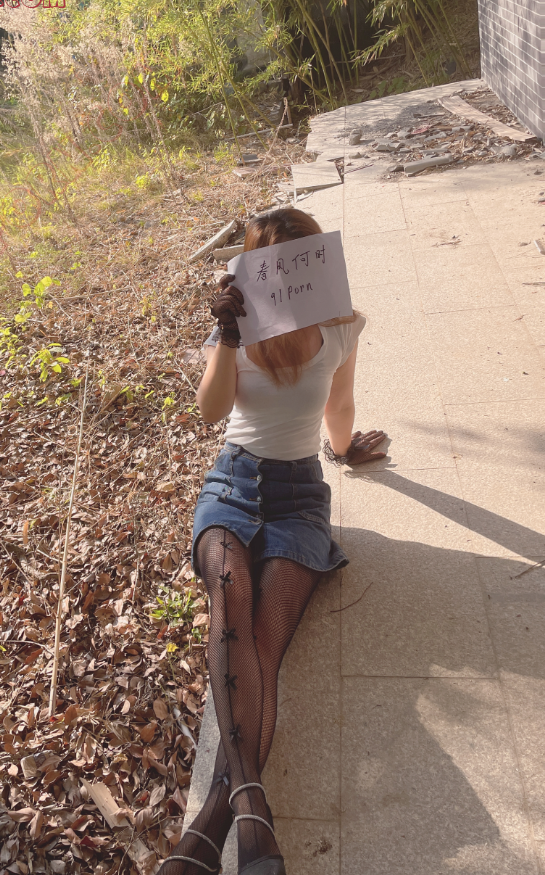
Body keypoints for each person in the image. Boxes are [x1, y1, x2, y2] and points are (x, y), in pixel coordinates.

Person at [158, 209, 387, 875]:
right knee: (229, 597)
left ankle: (214, 818)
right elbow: (211, 411)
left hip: (298, 498)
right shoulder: (234, 324)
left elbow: (339, 405)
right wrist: (228, 337)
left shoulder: (341, 324)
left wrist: (345, 449)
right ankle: (250, 810)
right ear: (256, 267)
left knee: (264, 637)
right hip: (230, 483)